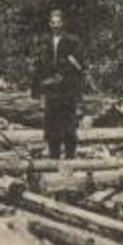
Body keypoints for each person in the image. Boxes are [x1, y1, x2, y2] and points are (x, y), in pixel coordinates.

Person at [31, 8, 86, 159]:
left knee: (68, 120)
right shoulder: (44, 41)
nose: (55, 25)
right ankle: (53, 153)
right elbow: (39, 66)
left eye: (58, 22)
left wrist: (66, 75)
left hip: (67, 88)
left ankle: (70, 154)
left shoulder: (72, 41)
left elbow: (79, 66)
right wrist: (37, 88)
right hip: (51, 88)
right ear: (49, 24)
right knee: (51, 121)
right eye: (53, 22)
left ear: (63, 23)